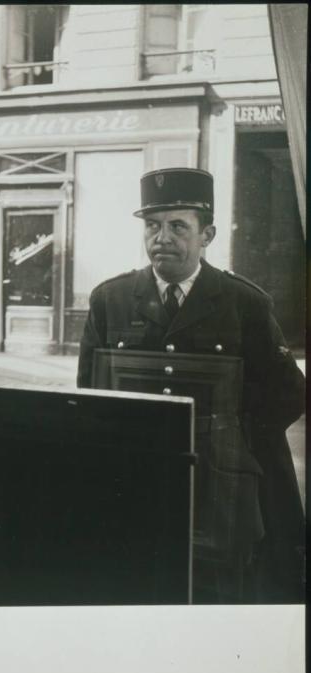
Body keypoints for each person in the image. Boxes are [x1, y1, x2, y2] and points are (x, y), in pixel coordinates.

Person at [77, 167, 305, 603]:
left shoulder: (245, 304)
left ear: (208, 234)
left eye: (178, 226)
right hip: (138, 479)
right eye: (152, 226)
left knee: (215, 595)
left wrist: (232, 442)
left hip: (220, 490)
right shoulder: (111, 300)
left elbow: (288, 394)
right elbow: (89, 392)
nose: (161, 237)